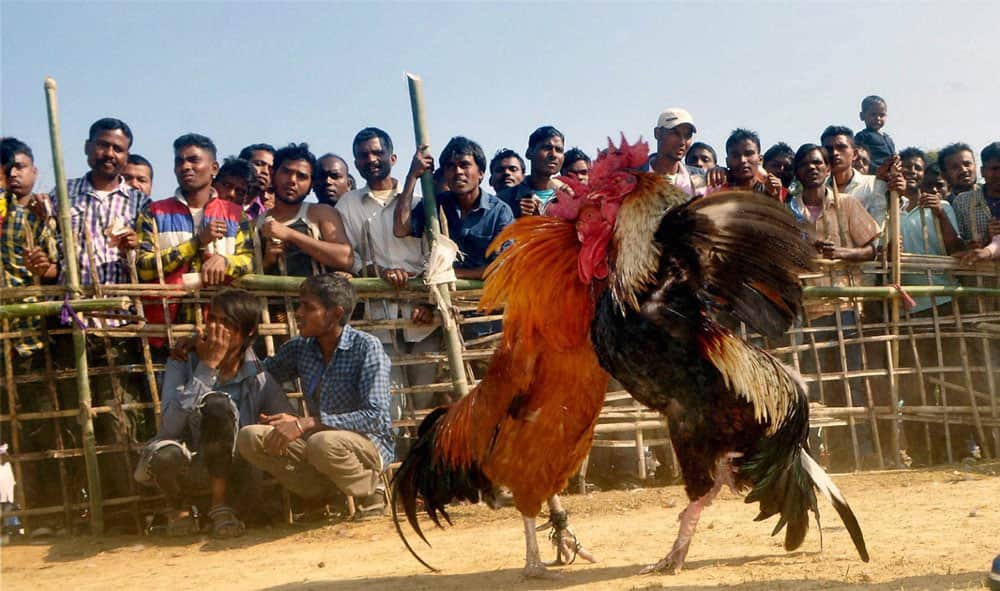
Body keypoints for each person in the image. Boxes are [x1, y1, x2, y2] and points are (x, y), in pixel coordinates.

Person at [135, 289, 293, 537]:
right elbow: (169, 427)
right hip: (192, 465)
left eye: (226, 323)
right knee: (166, 453)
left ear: (248, 332)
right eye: (212, 319)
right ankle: (179, 508)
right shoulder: (183, 361)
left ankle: (221, 506)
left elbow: (286, 418)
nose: (216, 329)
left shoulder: (258, 376)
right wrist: (207, 368)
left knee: (219, 407)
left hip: (234, 471)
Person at [237, 274, 393, 520]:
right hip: (320, 444)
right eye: (300, 305)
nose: (298, 313)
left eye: (308, 307)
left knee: (323, 442)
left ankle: (372, 490)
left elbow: (376, 418)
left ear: (335, 313)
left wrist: (306, 423)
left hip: (366, 446)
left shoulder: (366, 347)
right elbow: (259, 374)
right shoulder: (301, 347)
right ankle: (325, 496)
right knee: (250, 438)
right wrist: (204, 346)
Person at [335, 127, 438, 414]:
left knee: (425, 399)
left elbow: (436, 258)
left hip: (423, 317)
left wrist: (427, 301)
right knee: (391, 403)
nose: (371, 159)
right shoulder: (348, 205)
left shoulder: (420, 201)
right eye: (363, 155)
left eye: (377, 152)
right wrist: (376, 270)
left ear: (392, 157)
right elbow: (351, 257)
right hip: (379, 317)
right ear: (355, 163)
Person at [788, 143, 880, 465]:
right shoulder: (790, 213)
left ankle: (858, 453)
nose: (812, 168)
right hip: (805, 313)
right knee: (812, 387)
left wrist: (843, 253)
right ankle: (817, 456)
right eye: (805, 164)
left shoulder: (849, 205)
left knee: (850, 382)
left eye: (818, 163)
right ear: (797, 172)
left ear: (827, 169)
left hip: (843, 308)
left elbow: (873, 249)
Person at [135, 134, 254, 325]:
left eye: (193, 160)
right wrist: (196, 243)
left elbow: (249, 262)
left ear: (214, 168)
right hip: (165, 328)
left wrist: (225, 261)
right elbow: (144, 268)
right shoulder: (154, 212)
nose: (185, 167)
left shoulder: (235, 215)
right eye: (179, 161)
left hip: (221, 325)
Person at [26, 118, 149, 293]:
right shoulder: (62, 193)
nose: (109, 153)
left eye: (118, 149)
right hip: (72, 308)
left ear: (126, 156)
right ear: (87, 147)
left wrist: (134, 247)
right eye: (103, 145)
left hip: (121, 311)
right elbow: (48, 249)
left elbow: (149, 258)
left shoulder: (140, 202)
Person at [394, 136, 514, 280]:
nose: (458, 171)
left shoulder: (499, 212)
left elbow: (504, 267)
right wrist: (412, 176)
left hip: (483, 299)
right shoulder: (435, 206)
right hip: (439, 298)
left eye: (464, 165)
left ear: (481, 173)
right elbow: (400, 229)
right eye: (450, 166)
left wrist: (451, 275)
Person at [1, 139, 57, 365]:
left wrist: (44, 267)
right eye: (6, 168)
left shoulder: (43, 217)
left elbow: (59, 268)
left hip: (32, 331)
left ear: (34, 171)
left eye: (19, 167)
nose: (13, 173)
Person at [259, 143, 353, 276]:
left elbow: (346, 259)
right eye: (286, 172)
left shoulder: (321, 214)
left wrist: (291, 235)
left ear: (311, 185)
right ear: (273, 174)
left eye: (301, 176)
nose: (292, 180)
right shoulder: (255, 224)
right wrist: (267, 262)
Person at [896, 147, 963, 311]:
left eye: (918, 168)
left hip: (943, 297)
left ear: (924, 174)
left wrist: (940, 214)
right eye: (906, 167)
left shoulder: (942, 207)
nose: (912, 172)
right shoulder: (888, 208)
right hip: (904, 303)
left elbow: (955, 249)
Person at [820, 125, 897, 224]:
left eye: (841, 147)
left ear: (855, 154)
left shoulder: (875, 184)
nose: (834, 153)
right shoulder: (820, 192)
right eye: (829, 149)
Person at [498, 126, 568, 217]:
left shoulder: (570, 198)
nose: (553, 155)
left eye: (559, 150)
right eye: (547, 148)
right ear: (529, 152)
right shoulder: (504, 201)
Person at [644, 107, 708, 198]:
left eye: (688, 135)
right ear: (657, 133)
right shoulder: (634, 176)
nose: (682, 142)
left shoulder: (699, 178)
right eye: (675, 133)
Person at [954, 142, 1000, 263]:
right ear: (983, 171)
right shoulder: (963, 201)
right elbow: (955, 247)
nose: (999, 174)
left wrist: (989, 247)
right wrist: (975, 245)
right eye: (995, 169)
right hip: (977, 278)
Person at [715, 128, 785, 200]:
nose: (742, 160)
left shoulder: (774, 190)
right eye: (735, 155)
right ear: (727, 162)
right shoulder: (717, 191)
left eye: (748, 154)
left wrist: (776, 197)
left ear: (760, 159)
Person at [854, 95, 896, 169]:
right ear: (862, 116)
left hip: (889, 174)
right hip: (874, 173)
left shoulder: (888, 139)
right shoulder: (862, 136)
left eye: (882, 115)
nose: (878, 118)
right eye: (873, 114)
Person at [237, 143, 276, 219]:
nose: (265, 172)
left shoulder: (265, 215)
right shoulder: (217, 198)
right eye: (258, 164)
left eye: (271, 169)